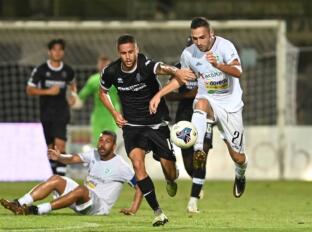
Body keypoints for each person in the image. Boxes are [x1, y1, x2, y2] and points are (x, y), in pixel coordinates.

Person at [99, 34, 194, 226]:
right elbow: (103, 92)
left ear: (137, 50)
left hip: (156, 124)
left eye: (131, 52)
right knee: (137, 164)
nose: (127, 56)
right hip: (132, 126)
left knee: (170, 172)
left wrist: (175, 73)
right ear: (119, 53)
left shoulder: (145, 64)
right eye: (123, 53)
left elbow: (161, 67)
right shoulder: (110, 71)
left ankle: (170, 179)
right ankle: (158, 212)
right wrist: (115, 113)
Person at [150, 17, 248, 199]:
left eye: (202, 37)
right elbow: (181, 78)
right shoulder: (188, 54)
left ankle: (240, 174)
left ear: (211, 34)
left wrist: (218, 65)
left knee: (238, 157)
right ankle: (199, 150)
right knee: (201, 104)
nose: (198, 42)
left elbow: (238, 71)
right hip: (207, 99)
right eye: (195, 38)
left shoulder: (225, 47)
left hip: (230, 106)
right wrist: (159, 94)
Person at [0, 130, 142, 216]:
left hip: (98, 207)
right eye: (101, 140)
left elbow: (140, 186)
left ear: (114, 146)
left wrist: (133, 209)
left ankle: (36, 210)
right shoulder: (94, 154)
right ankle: (19, 203)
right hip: (81, 199)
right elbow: (74, 158)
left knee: (82, 189)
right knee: (56, 178)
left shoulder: (121, 165)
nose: (102, 144)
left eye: (107, 142)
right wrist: (60, 157)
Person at [165, 35, 213, 213]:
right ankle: (198, 183)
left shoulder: (210, 68)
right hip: (184, 117)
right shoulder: (179, 69)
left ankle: (193, 201)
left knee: (201, 156)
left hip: (205, 116)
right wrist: (186, 95)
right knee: (188, 165)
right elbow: (168, 93)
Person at [26, 38, 77, 176]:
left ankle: (61, 181)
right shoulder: (41, 70)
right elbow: (29, 90)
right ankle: (56, 177)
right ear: (49, 52)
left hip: (62, 112)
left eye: (60, 49)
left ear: (63, 52)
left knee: (60, 146)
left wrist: (72, 95)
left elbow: (72, 85)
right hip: (46, 113)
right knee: (51, 149)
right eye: (54, 49)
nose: (57, 52)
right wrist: (47, 91)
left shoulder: (68, 71)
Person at [78, 56, 121, 146]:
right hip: (98, 115)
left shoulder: (117, 79)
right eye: (101, 63)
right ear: (98, 65)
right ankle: (97, 159)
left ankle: (110, 159)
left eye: (106, 64)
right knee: (98, 142)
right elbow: (82, 96)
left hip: (113, 115)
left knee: (111, 141)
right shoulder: (93, 80)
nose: (103, 66)